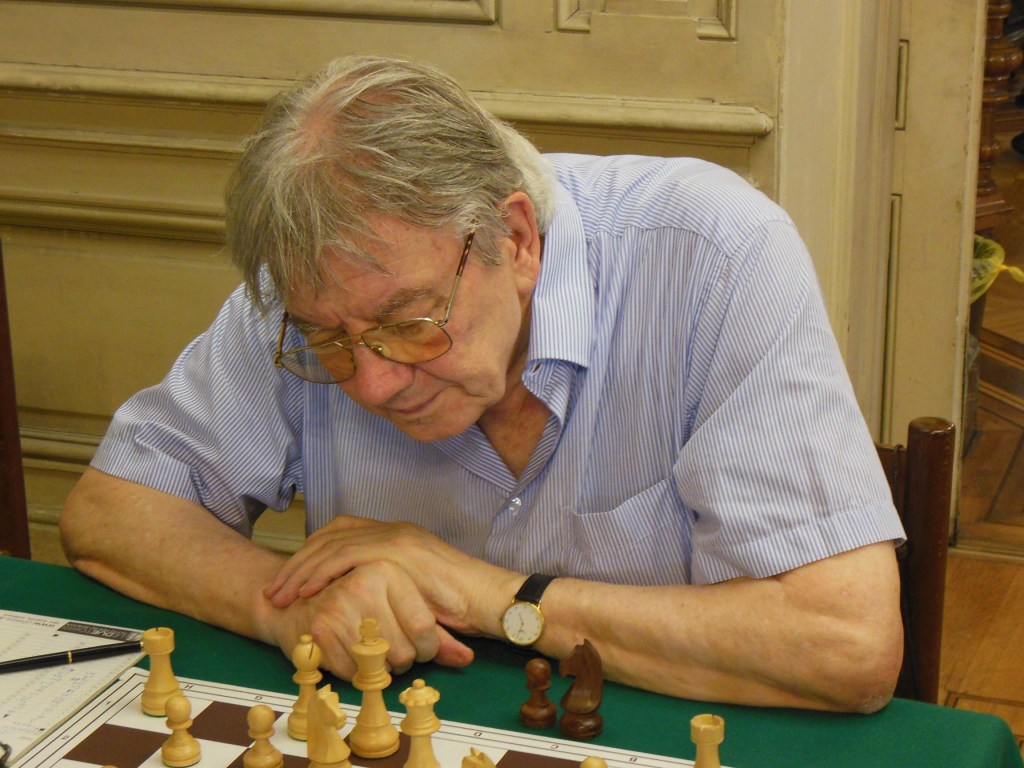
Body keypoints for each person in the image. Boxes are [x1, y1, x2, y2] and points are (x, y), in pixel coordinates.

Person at [60, 55, 906, 714]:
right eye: (330, 341)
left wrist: (486, 594)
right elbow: (109, 512)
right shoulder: (315, 293)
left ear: (517, 239)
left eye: (408, 322)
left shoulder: (713, 255)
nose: (374, 383)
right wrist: (279, 604)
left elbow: (849, 648)